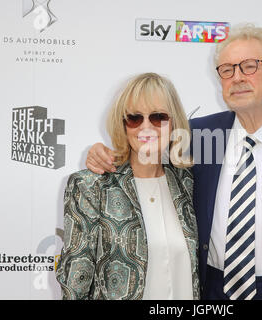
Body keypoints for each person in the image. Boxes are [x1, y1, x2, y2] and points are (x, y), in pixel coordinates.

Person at [85, 24, 262, 300]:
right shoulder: (199, 135)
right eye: (227, 70)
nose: (237, 77)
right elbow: (144, 146)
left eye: (249, 66)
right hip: (212, 291)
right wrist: (104, 153)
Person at [56, 73, 200, 300]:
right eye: (134, 118)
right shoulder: (91, 186)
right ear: (122, 124)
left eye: (158, 117)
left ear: (174, 123)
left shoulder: (188, 182)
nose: (145, 127)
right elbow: (76, 282)